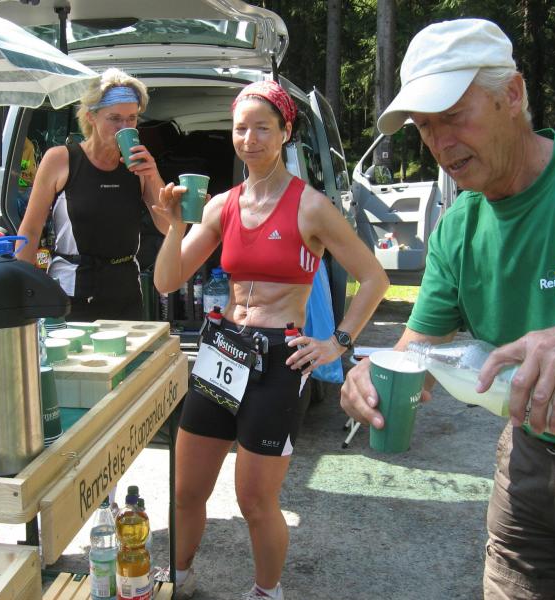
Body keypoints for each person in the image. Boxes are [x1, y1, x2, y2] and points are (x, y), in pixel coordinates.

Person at [340, 18, 555, 599]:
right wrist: (375, 376)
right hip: (525, 463)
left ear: (514, 94)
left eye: (453, 115)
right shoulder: (458, 229)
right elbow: (419, 350)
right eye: (425, 126)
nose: (440, 142)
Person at [152, 80, 389, 599]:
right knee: (187, 489)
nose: (250, 139)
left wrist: (337, 344)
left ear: (285, 132)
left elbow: (374, 278)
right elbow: (167, 281)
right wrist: (173, 227)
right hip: (222, 351)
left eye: (263, 128)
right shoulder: (221, 206)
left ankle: (266, 591)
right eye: (241, 129)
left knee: (255, 501)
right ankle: (179, 577)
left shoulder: (311, 206)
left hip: (279, 359)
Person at [17, 68, 167, 321]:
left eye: (132, 118)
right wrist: (23, 294)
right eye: (114, 118)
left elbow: (168, 226)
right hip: (72, 290)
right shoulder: (61, 159)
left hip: (125, 289)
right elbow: (30, 231)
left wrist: (152, 175)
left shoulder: (139, 166)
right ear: (91, 117)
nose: (124, 127)